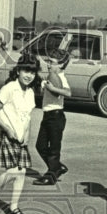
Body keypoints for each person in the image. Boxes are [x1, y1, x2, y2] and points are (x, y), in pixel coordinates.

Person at [0, 53, 40, 214]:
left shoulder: (30, 92)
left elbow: (27, 117)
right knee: (14, 170)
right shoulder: (9, 88)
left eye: (32, 72)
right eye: (25, 71)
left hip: (21, 137)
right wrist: (7, 129)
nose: (29, 75)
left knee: (21, 172)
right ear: (18, 71)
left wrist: (28, 137)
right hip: (6, 134)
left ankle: (14, 206)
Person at [32, 49, 72, 186]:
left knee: (54, 150)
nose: (49, 65)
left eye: (53, 63)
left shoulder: (61, 77)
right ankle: (57, 167)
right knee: (40, 146)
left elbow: (68, 92)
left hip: (56, 116)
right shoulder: (51, 76)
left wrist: (52, 89)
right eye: (48, 61)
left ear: (61, 65)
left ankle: (51, 175)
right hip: (47, 115)